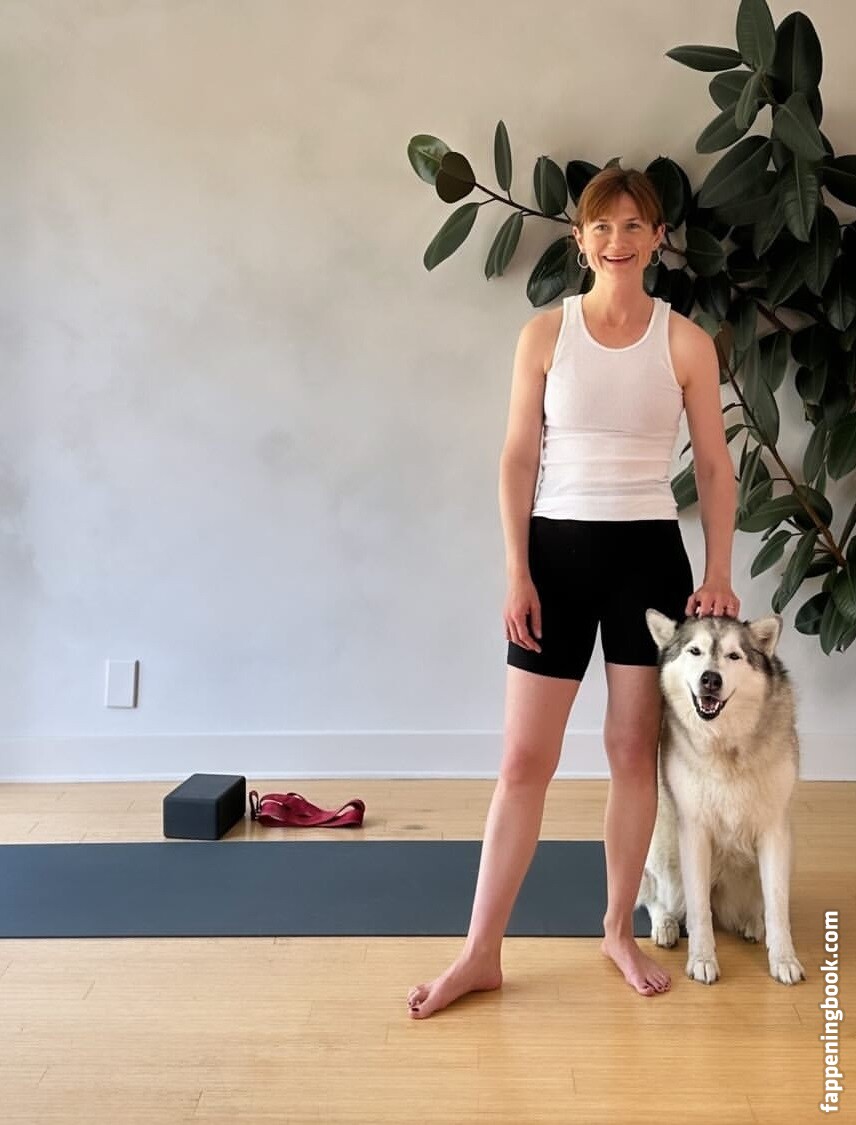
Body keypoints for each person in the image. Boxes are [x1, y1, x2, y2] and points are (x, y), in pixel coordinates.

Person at [407, 166, 739, 1019]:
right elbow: (518, 456)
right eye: (602, 227)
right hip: (555, 556)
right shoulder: (544, 335)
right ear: (579, 240)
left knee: (632, 752)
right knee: (524, 759)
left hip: (649, 561)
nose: (617, 241)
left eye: (633, 227)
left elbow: (712, 465)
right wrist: (516, 569)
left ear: (657, 239)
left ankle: (618, 930)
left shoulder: (686, 343)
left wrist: (718, 572)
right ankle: (480, 951)